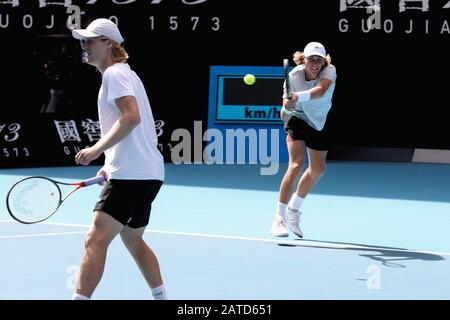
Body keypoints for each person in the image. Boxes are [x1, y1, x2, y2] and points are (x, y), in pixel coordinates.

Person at [70, 18, 167, 300]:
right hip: (148, 173)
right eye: (83, 40)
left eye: (90, 40)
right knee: (133, 239)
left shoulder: (114, 74)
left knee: (95, 239)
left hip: (132, 175)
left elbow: (131, 117)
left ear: (109, 43)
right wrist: (110, 160)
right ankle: (162, 297)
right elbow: (130, 124)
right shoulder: (126, 73)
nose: (84, 45)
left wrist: (96, 149)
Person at [270, 42, 337, 238]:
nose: (315, 63)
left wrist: (297, 96)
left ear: (324, 62)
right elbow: (285, 112)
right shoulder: (293, 76)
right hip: (298, 118)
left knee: (318, 169)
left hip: (319, 122)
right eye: (311, 59)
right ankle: (279, 218)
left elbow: (321, 91)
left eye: (319, 60)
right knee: (296, 165)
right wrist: (287, 108)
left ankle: (293, 210)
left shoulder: (330, 71)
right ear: (303, 59)